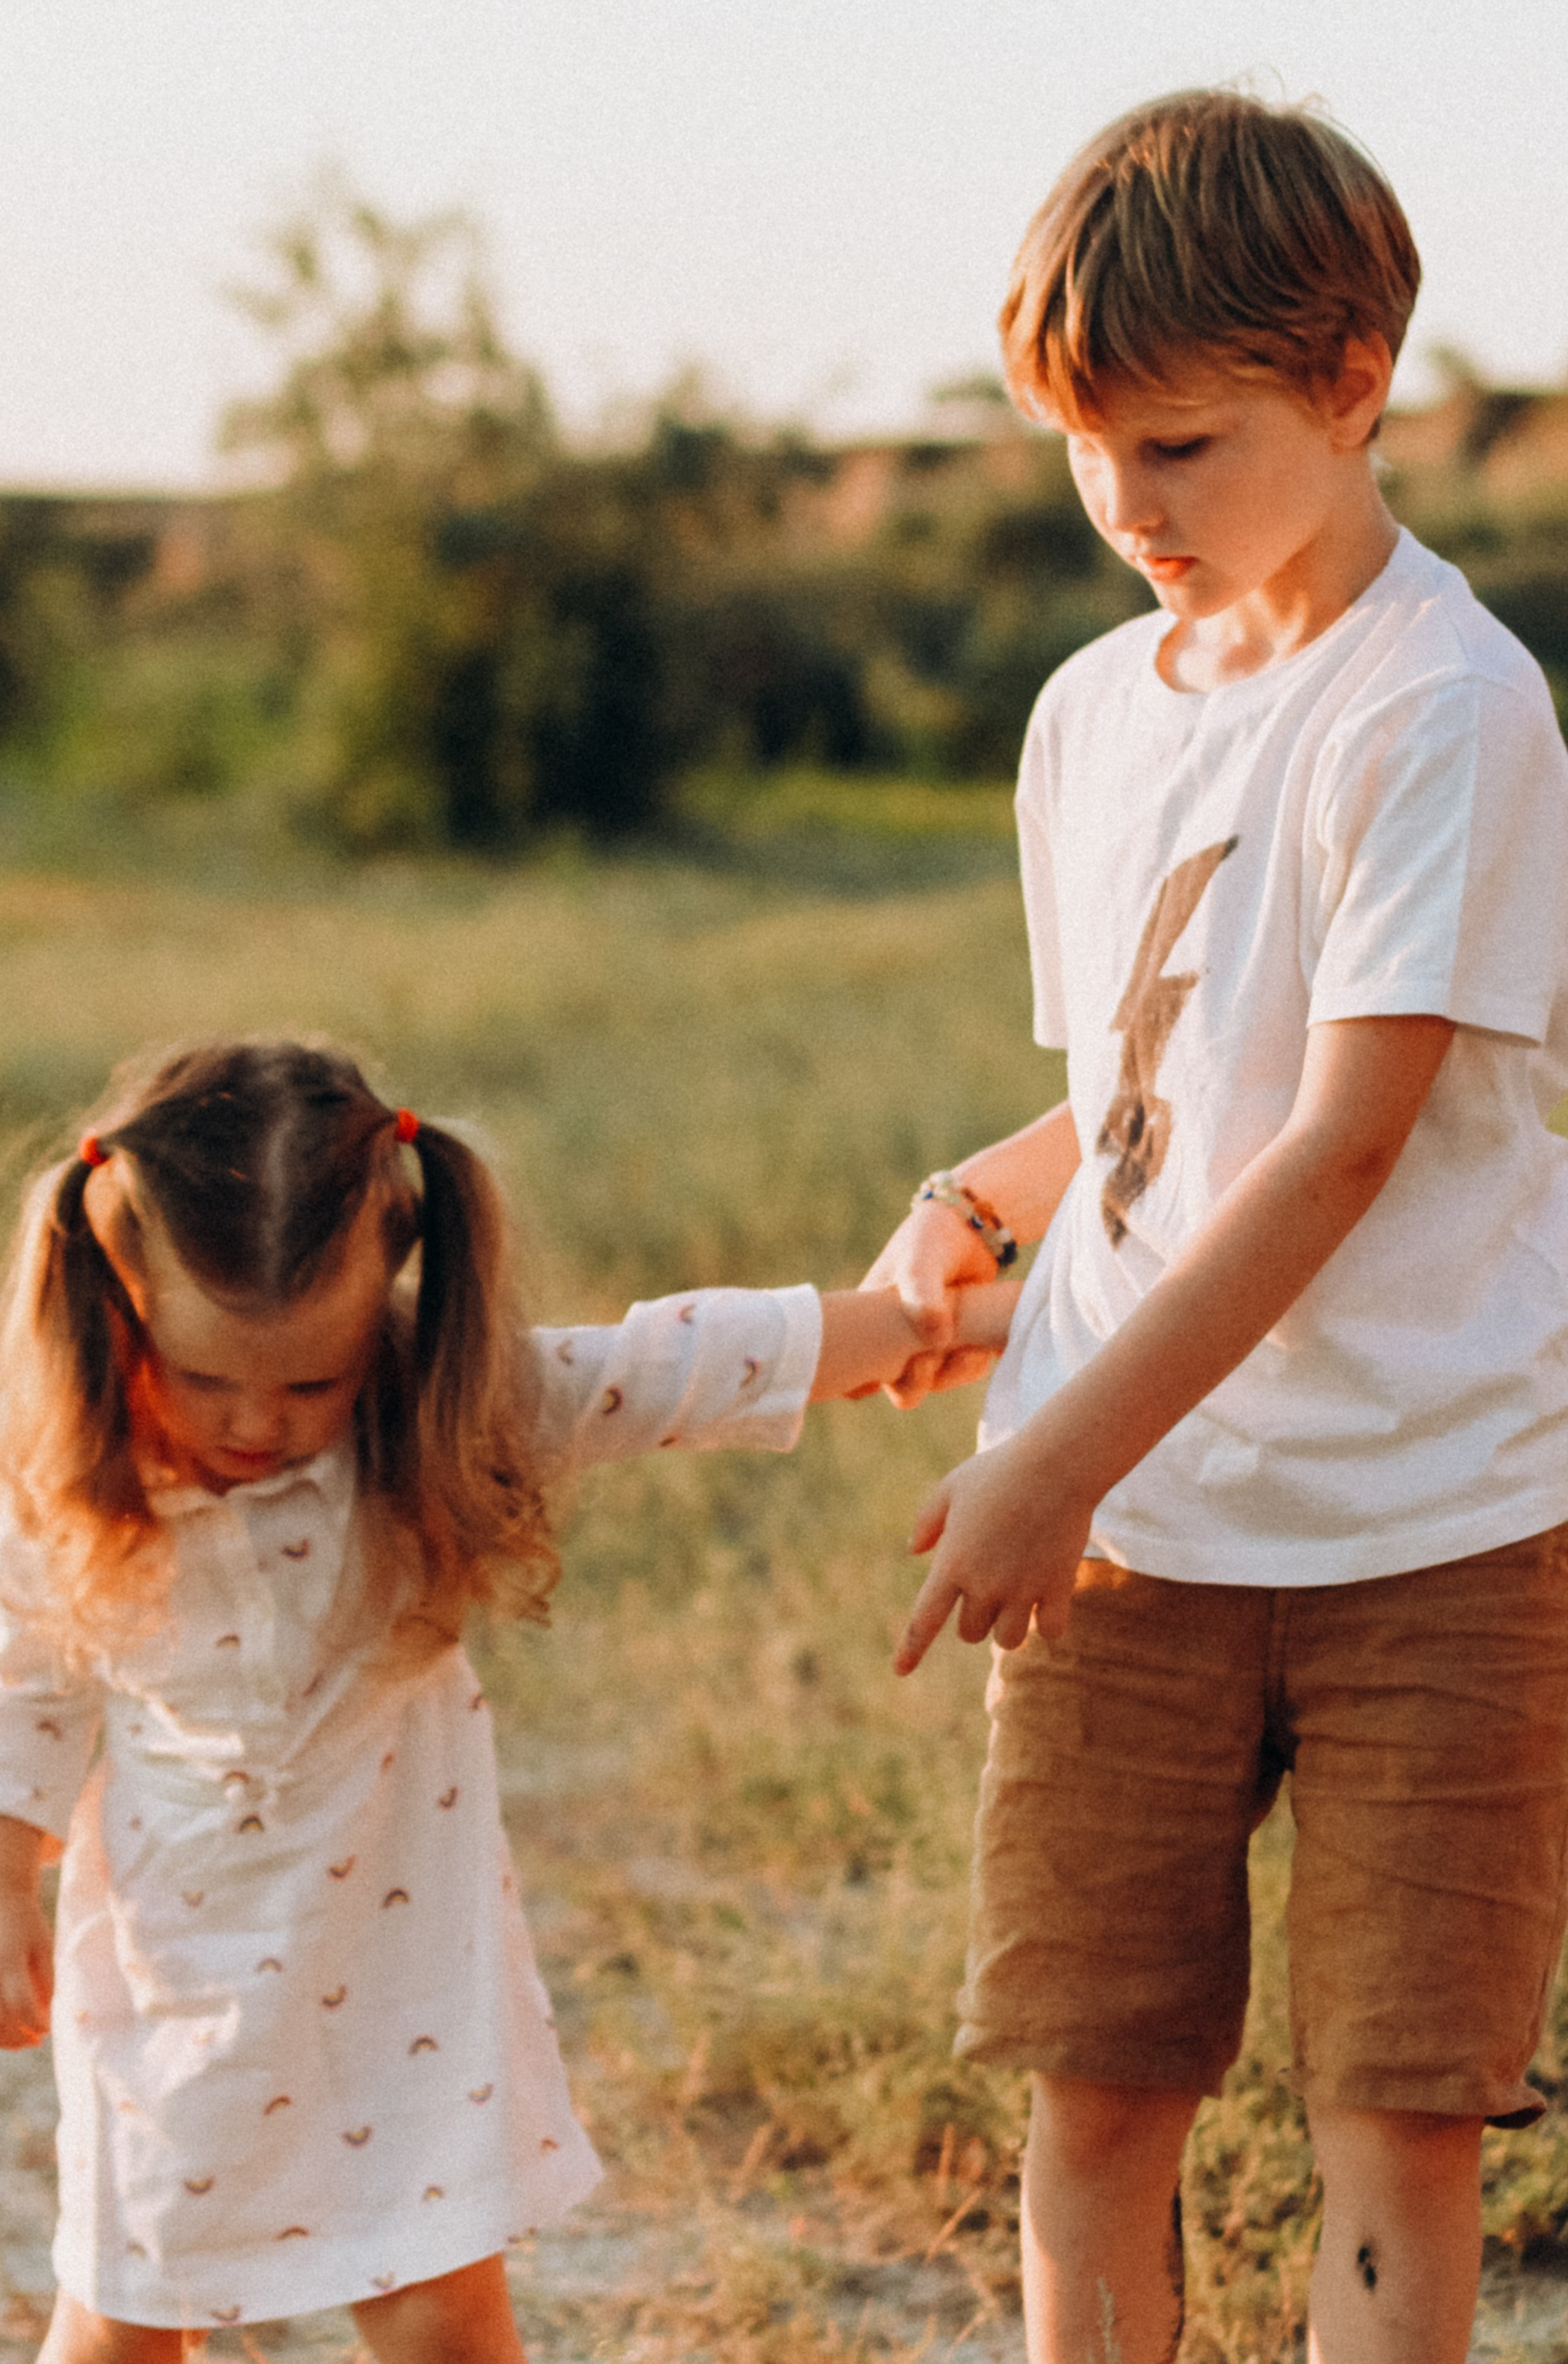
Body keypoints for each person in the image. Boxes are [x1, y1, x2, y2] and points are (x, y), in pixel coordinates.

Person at [861, 88, 1568, 2364]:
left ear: (1352, 383)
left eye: (1174, 446)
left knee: (1397, 2108)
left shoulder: (1443, 706)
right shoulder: (1090, 713)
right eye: (1081, 446)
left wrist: (1046, 1453)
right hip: (1140, 1542)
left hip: (1439, 1526)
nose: (1118, 504)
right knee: (1094, 2082)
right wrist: (972, 1209)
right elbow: (1147, 1101)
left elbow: (1343, 1142)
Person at [0, 1038, 1013, 2364]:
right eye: (205, 1378)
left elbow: (675, 1364)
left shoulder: (434, 1413)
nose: (256, 1422)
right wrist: (8, 1858)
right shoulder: (74, 1474)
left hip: (403, 1974)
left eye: (309, 1381)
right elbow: (28, 1667)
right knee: (126, 2313)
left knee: (441, 2317)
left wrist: (949, 1325)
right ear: (122, 1304)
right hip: (171, 1977)